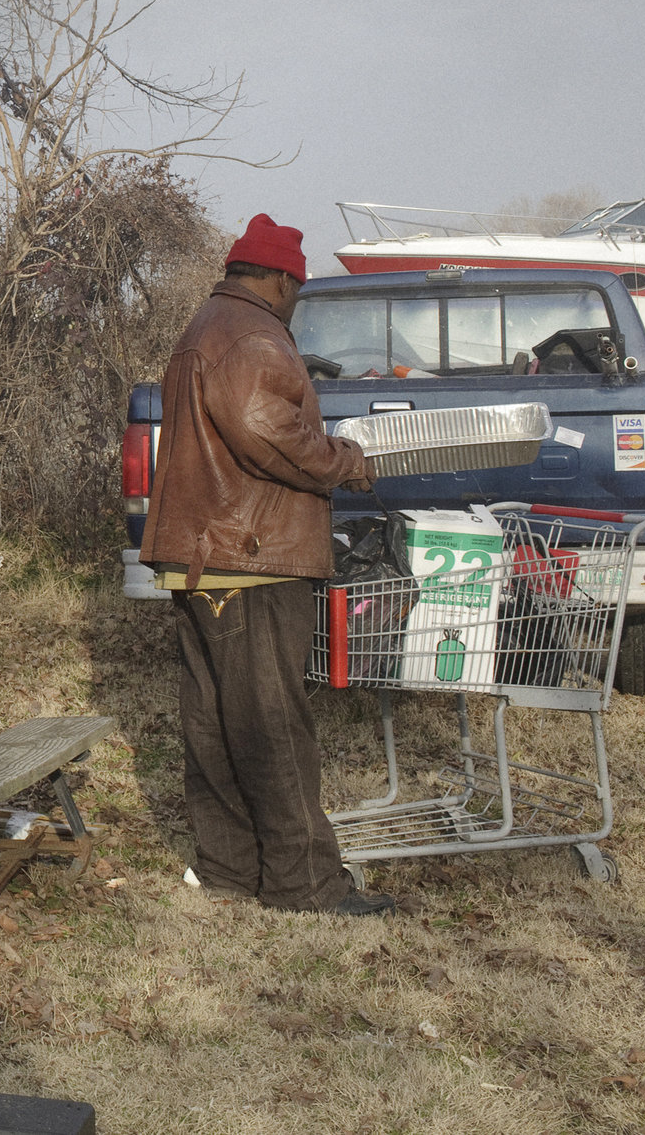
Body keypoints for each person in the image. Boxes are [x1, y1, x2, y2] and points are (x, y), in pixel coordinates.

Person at [140, 214, 390, 915]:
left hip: (201, 557)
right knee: (273, 722)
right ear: (280, 280)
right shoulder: (252, 335)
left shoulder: (207, 325)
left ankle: (229, 865)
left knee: (216, 720)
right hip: (251, 556)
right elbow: (262, 426)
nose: (296, 304)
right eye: (298, 291)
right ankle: (304, 884)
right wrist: (344, 461)